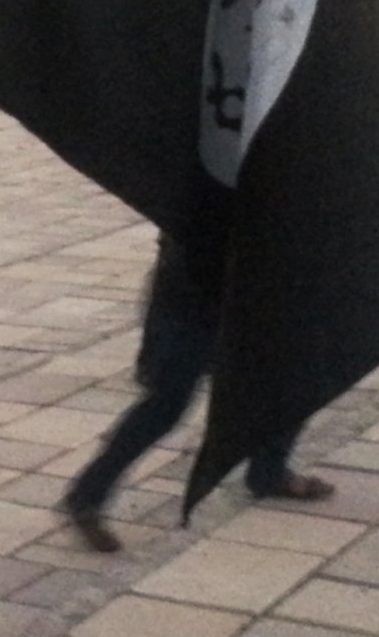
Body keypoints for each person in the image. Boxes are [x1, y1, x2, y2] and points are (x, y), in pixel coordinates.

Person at [60, 235, 333, 552]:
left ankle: (269, 471)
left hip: (243, 291)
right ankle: (88, 494)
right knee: (166, 404)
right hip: (197, 295)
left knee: (291, 376)